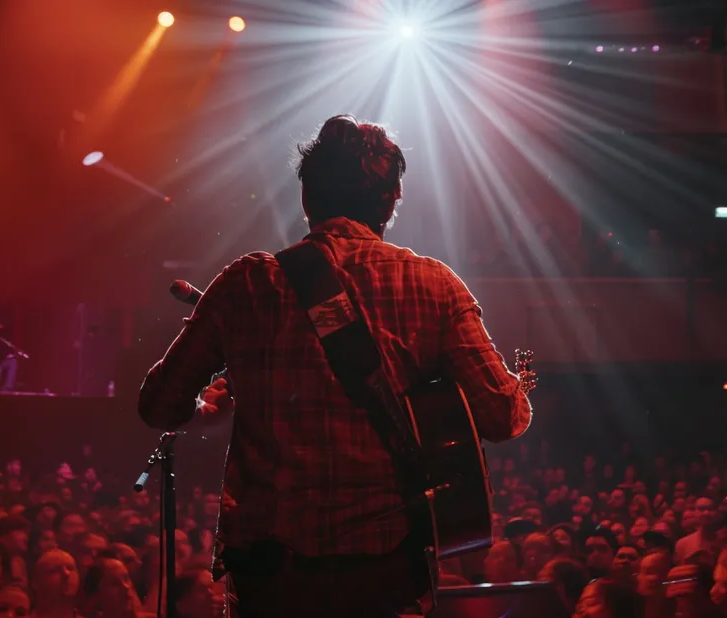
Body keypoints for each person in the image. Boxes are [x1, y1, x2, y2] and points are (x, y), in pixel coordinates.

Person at [139, 114, 534, 616]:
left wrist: (206, 410)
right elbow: (503, 418)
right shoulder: (434, 285)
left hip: (271, 577)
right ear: (390, 200)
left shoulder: (247, 283)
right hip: (387, 573)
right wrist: (517, 389)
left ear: (307, 197)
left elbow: (158, 405)